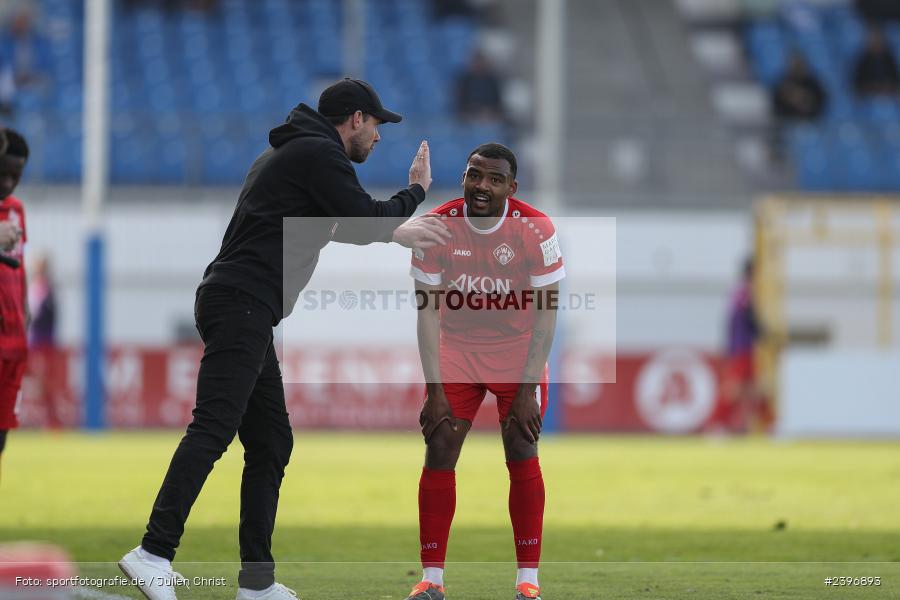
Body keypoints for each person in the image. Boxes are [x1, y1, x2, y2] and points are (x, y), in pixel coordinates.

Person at [119, 78, 451, 600]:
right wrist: (415, 195)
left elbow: (338, 225)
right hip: (243, 303)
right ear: (356, 119)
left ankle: (256, 583)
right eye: (378, 124)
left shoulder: (291, 152)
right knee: (213, 427)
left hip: (242, 303)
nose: (380, 136)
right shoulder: (321, 154)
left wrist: (393, 228)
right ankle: (153, 552)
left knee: (271, 441)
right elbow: (362, 221)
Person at [405, 143, 564, 600]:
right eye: (475, 175)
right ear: (463, 177)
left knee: (521, 444)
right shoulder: (437, 227)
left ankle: (527, 581)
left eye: (494, 180)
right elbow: (427, 313)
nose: (482, 186)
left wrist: (529, 388)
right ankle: (431, 581)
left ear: (511, 188)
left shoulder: (536, 229)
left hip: (517, 351)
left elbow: (547, 314)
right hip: (457, 347)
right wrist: (434, 389)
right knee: (439, 443)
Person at [0, 128, 29, 484]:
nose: (8, 183)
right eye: (3, 174)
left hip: (13, 341)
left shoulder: (17, 211)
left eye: (16, 176)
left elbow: (19, 270)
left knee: (3, 434)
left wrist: (24, 312)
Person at [772, 52, 827, 122]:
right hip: (788, 125)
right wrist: (789, 100)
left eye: (799, 64)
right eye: (794, 65)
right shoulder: (782, 85)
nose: (797, 67)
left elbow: (821, 104)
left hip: (813, 122)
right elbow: (777, 109)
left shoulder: (813, 84)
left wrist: (807, 100)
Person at [455, 50, 505, 122]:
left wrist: (489, 111)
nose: (479, 65)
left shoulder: (493, 81)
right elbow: (460, 103)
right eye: (476, 62)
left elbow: (498, 102)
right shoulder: (465, 81)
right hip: (468, 116)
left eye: (481, 62)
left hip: (489, 115)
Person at [853, 25, 900, 98]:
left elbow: (895, 81)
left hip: (888, 97)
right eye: (873, 40)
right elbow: (858, 84)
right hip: (869, 98)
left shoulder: (889, 59)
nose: (876, 43)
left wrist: (886, 87)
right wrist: (873, 87)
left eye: (878, 40)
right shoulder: (863, 60)